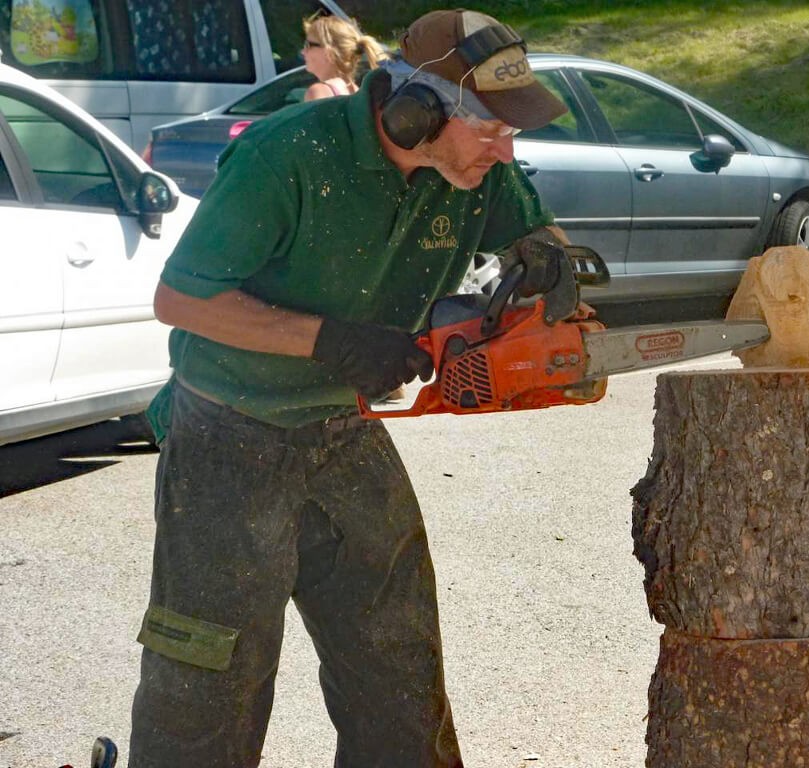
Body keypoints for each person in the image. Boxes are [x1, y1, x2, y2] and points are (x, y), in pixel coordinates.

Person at [128, 8, 571, 768]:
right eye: (492, 129)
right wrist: (330, 341)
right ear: (416, 111)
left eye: (513, 133)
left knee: (398, 663)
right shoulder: (287, 154)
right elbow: (182, 301)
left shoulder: (471, 170)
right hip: (228, 432)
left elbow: (534, 230)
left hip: (346, 428)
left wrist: (550, 257)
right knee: (209, 672)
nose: (506, 149)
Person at [301, 13, 386, 101]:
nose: (303, 52)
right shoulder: (358, 92)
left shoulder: (318, 92)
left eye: (308, 45)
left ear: (328, 53)